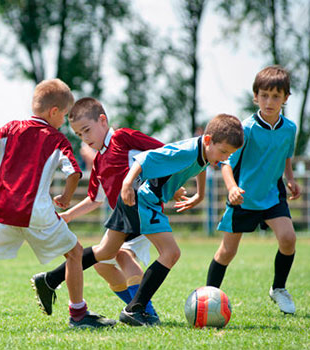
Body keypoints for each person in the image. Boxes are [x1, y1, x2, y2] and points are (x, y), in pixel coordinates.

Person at [0, 79, 116, 333]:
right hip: (37, 214)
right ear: (53, 112)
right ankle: (78, 314)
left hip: (1, 212)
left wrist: (8, 133)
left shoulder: (12, 128)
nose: (63, 122)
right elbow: (74, 172)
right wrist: (65, 197)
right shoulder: (57, 139)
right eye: (63, 115)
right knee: (74, 252)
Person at [31, 97, 166, 320]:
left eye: (87, 130)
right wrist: (68, 215)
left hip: (143, 211)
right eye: (79, 135)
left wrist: (170, 184)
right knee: (102, 265)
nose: (85, 138)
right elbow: (95, 199)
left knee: (122, 255)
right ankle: (137, 308)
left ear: (103, 120)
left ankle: (143, 311)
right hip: (124, 218)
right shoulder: (101, 161)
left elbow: (165, 153)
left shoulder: (123, 138)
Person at [118, 113, 244, 326]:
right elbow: (145, 158)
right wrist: (127, 183)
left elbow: (202, 166)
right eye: (223, 152)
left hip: (151, 201)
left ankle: (55, 278)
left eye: (229, 154)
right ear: (207, 140)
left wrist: (200, 194)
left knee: (104, 252)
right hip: (144, 199)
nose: (224, 158)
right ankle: (133, 309)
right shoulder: (187, 150)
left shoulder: (204, 152)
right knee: (169, 252)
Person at [206, 65, 301, 314]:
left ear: (286, 99)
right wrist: (232, 188)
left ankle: (278, 288)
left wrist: (290, 179)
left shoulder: (290, 129)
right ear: (255, 96)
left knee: (289, 238)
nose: (269, 101)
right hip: (243, 199)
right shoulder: (245, 129)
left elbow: (286, 157)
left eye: (276, 96)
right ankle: (207, 299)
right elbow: (226, 163)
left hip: (272, 196)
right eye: (264, 95)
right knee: (227, 252)